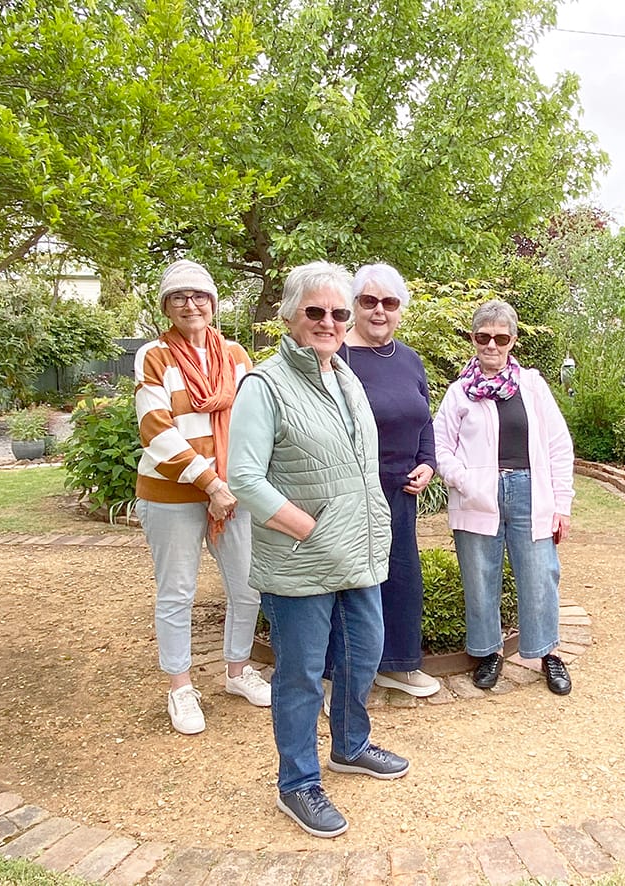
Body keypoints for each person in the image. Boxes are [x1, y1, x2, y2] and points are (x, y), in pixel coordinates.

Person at [227, 260, 409, 839]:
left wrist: (370, 524)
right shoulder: (264, 385)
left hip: (356, 551)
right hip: (300, 558)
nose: (329, 321)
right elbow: (246, 479)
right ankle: (298, 782)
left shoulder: (345, 377)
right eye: (316, 312)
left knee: (364, 653)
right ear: (289, 316)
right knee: (303, 674)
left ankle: (350, 746)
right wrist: (310, 528)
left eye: (337, 312)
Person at [134, 259, 271, 737]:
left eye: (199, 296)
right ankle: (180, 687)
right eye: (179, 297)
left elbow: (255, 419)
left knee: (246, 585)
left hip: (233, 492)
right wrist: (210, 483)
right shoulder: (155, 356)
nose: (190, 305)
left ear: (213, 303)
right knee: (178, 592)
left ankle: (237, 672)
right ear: (167, 307)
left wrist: (235, 484)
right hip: (174, 491)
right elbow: (155, 428)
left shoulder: (235, 355)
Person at [433, 299, 576, 696]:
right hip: (478, 497)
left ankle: (546, 653)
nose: (491, 345)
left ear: (512, 340)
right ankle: (488, 652)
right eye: (483, 337)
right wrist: (465, 482)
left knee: (541, 573)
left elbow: (559, 445)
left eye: (500, 337)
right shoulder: (460, 392)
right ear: (473, 339)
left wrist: (561, 504)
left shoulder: (532, 385)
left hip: (531, 491)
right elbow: (439, 446)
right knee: (479, 576)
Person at [340, 263, 439, 698]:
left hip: (401, 490)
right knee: (349, 582)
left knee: (401, 577)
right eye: (369, 301)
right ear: (354, 305)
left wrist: (428, 462)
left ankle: (398, 664)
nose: (379, 311)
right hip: (351, 492)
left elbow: (424, 418)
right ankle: (338, 678)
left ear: (400, 310)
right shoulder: (335, 358)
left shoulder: (409, 358)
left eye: (389, 303)